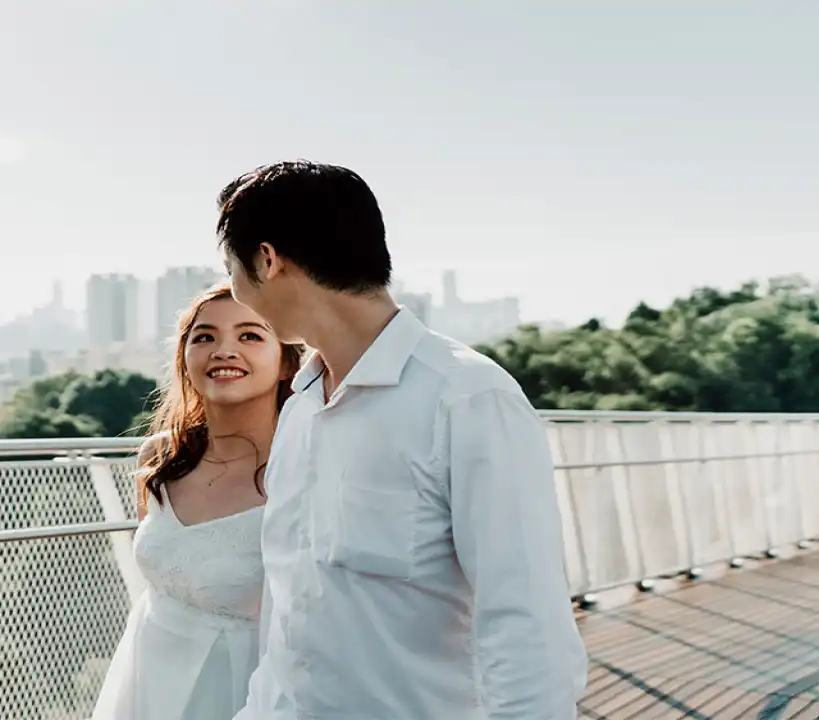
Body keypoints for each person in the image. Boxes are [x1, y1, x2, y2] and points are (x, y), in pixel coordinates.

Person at [219, 161, 588, 719]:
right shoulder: (300, 408)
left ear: (267, 260)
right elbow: (287, 613)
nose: (233, 290)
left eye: (231, 269)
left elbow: (527, 623)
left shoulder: (466, 396)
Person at [92, 284, 303, 720]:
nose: (224, 350)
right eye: (204, 336)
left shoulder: (304, 470)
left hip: (243, 694)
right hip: (145, 684)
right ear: (184, 357)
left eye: (250, 335)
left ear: (286, 362)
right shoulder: (161, 457)